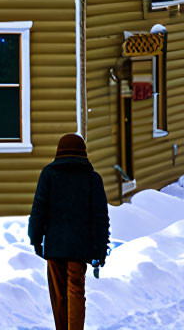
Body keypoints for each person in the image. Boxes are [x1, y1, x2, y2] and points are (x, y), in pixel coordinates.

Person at [28, 133, 110, 330]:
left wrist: (36, 240)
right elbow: (100, 219)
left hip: (55, 245)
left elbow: (38, 209)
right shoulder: (92, 179)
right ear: (83, 152)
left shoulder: (48, 174)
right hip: (80, 248)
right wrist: (99, 250)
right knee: (76, 291)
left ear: (59, 151)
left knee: (58, 295)